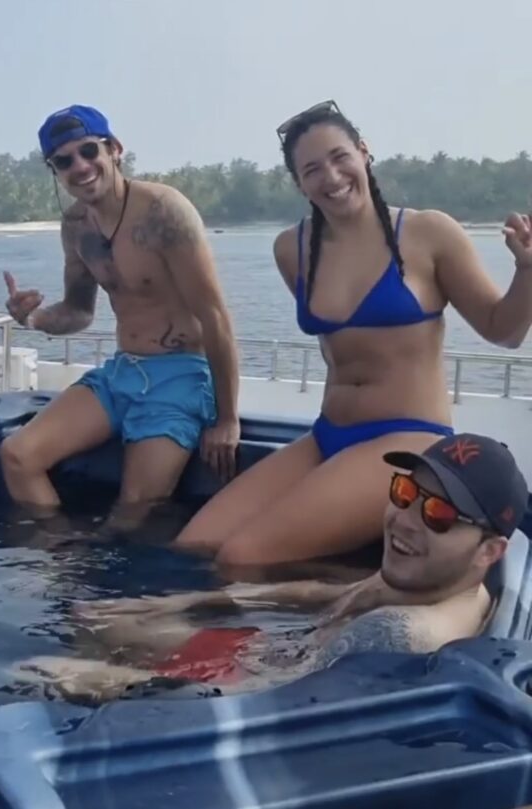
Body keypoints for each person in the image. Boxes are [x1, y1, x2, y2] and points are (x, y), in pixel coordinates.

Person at [0, 433, 527, 702]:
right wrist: (195, 606)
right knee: (89, 621)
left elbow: (281, 698)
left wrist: (130, 681)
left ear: (492, 549)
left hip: (234, 680)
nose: (401, 519)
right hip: (246, 649)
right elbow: (328, 590)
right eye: (404, 492)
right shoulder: (425, 573)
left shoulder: (402, 632)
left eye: (435, 513)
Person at [175, 100, 532, 567]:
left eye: (340, 157)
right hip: (327, 435)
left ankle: (361, 601)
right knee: (192, 548)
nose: (331, 176)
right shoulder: (292, 249)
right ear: (299, 183)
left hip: (407, 439)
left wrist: (526, 270)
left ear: (364, 152)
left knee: (241, 557)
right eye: (312, 169)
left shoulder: (429, 233)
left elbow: (502, 330)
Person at [0, 105, 240, 525]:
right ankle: (62, 558)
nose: (80, 166)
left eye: (88, 151)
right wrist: (34, 319)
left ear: (114, 149)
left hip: (180, 376)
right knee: (17, 455)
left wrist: (227, 418)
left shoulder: (165, 212)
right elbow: (78, 311)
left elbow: (215, 316)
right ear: (54, 169)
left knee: (130, 516)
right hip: (120, 373)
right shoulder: (76, 225)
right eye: (64, 160)